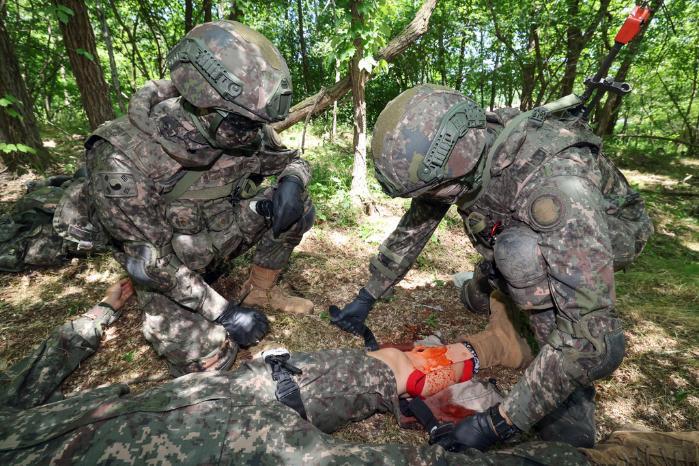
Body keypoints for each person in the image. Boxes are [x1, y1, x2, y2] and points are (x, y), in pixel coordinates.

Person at [2, 279, 695, 465]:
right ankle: (578, 462)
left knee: (372, 369)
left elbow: (30, 378)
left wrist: (98, 312)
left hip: (212, 396)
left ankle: (492, 349)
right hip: (200, 452)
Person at [329, 84, 654, 449]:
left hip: (608, 228)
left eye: (436, 191)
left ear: (455, 168)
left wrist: (500, 423)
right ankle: (492, 285)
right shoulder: (465, 152)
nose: (432, 200)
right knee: (504, 254)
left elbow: (593, 339)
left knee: (518, 254)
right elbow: (414, 229)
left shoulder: (559, 189)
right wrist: (368, 294)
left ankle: (571, 399)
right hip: (526, 224)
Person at [81, 21, 316, 376]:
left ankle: (261, 290)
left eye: (255, 126)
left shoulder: (240, 124)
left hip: (217, 236)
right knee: (211, 359)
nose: (252, 135)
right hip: (168, 266)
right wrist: (222, 311)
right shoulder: (122, 157)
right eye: (243, 126)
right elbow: (153, 263)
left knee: (298, 207)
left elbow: (293, 160)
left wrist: (293, 183)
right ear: (203, 108)